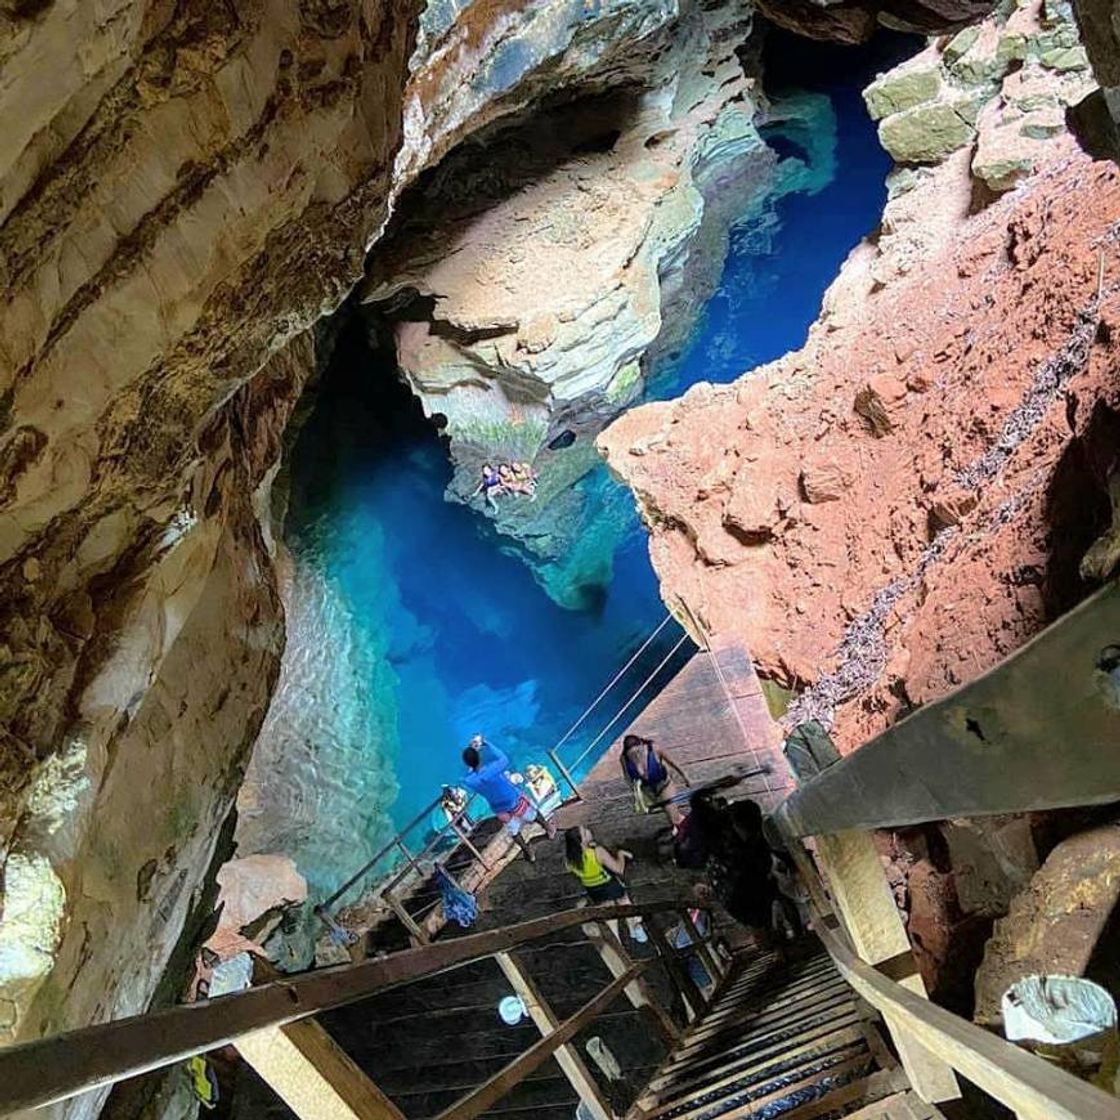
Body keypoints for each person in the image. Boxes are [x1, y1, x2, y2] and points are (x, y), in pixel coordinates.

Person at [461, 735, 556, 861]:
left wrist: (471, 756)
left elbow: (469, 772)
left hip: (499, 808)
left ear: (467, 763)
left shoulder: (469, 780)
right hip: (513, 800)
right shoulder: (492, 769)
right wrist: (485, 743)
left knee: (514, 830)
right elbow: (503, 758)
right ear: (479, 757)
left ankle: (529, 852)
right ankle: (549, 829)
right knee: (533, 814)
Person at [564, 825, 645, 941]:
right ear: (581, 841)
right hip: (609, 885)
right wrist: (621, 854)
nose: (588, 831)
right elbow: (619, 869)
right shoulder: (597, 852)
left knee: (610, 917)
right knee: (624, 903)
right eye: (585, 833)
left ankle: (617, 944)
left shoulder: (569, 860)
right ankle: (635, 931)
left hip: (593, 889)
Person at [621, 734, 690, 826]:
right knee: (670, 813)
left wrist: (685, 776)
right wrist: (637, 794)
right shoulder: (624, 759)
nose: (636, 755)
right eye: (632, 754)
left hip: (664, 785)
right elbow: (627, 776)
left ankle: (683, 830)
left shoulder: (654, 749)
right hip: (649, 790)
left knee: (672, 815)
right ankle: (685, 824)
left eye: (638, 752)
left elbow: (672, 762)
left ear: (641, 745)